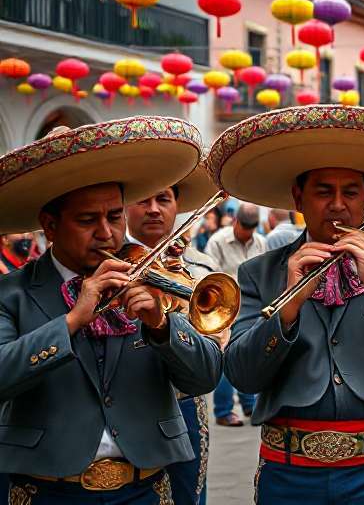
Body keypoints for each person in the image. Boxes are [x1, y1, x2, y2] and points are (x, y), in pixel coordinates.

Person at [210, 104, 364, 503]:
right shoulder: (260, 271)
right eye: (323, 192)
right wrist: (289, 303)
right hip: (287, 469)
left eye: (351, 193)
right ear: (299, 197)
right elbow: (242, 374)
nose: (338, 205)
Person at [0, 120, 222, 503]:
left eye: (115, 217)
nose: (107, 233)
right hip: (48, 490)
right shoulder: (11, 293)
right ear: (49, 226)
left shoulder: (150, 277)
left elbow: (205, 376)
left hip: (145, 487)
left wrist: (161, 325)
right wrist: (71, 321)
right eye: (88, 220)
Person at [124, 165, 224, 505]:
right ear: (124, 208)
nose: (154, 208)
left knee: (188, 495)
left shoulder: (200, 269)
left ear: (176, 208)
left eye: (163, 199)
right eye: (143, 199)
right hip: (128, 402)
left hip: (184, 404)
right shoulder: (106, 267)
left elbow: (214, 345)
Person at [204, 202, 265, 427]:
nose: (247, 233)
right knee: (226, 355)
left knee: (249, 355)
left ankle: (250, 404)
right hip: (223, 309)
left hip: (251, 308)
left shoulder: (260, 242)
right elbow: (209, 277)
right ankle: (223, 411)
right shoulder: (217, 241)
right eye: (244, 227)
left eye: (251, 229)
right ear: (235, 222)